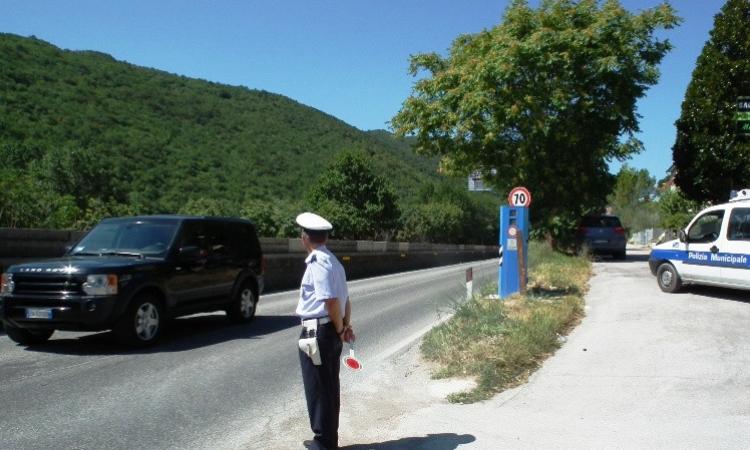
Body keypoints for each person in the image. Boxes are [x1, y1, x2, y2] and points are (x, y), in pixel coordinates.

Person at [295, 212, 354, 450]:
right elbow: (345, 300)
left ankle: (323, 443)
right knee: (329, 387)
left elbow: (330, 300)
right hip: (330, 330)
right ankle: (330, 440)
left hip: (317, 332)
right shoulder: (334, 262)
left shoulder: (317, 262)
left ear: (305, 238)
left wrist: (341, 330)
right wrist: (344, 326)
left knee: (318, 389)